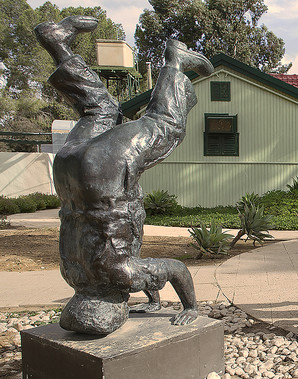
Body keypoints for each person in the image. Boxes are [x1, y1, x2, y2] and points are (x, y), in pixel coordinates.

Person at [34, 15, 214, 334]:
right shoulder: (73, 274)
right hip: (69, 169)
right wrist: (154, 301)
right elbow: (128, 264)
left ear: (117, 307)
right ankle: (56, 42)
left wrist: (191, 308)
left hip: (104, 174)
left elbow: (174, 269)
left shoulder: (123, 278)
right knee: (99, 112)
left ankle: (174, 61)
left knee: (164, 126)